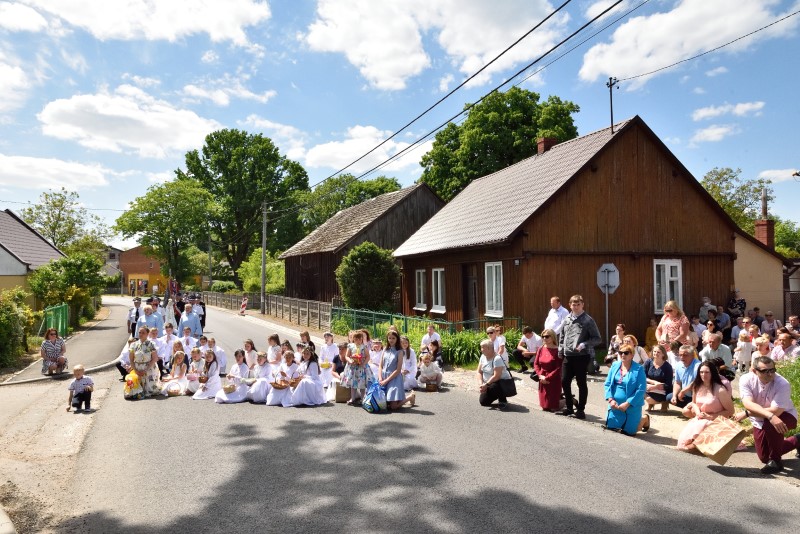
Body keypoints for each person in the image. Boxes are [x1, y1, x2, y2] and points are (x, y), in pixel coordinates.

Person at [734, 356, 799, 474]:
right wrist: (768, 415)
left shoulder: (782, 383)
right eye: (765, 371)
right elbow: (748, 403)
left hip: (786, 415)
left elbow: (776, 411)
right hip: (761, 419)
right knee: (764, 457)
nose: (770, 374)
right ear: (754, 371)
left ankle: (776, 462)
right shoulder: (746, 379)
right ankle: (797, 440)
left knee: (771, 424)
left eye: (772, 370)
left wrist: (747, 413)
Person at [557, 295, 601, 419]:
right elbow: (562, 336)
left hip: (581, 356)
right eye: (573, 305)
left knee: (581, 382)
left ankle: (581, 410)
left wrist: (584, 344)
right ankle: (569, 407)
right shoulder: (567, 318)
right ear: (570, 305)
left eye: (578, 304)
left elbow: (597, 339)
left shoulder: (588, 320)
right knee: (564, 381)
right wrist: (561, 349)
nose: (576, 307)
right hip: (568, 355)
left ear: (582, 305)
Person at [676, 361, 734, 451]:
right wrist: (698, 413)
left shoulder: (720, 390)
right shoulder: (697, 386)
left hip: (715, 420)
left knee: (692, 444)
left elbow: (730, 411)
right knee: (682, 445)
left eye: (707, 372)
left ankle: (698, 445)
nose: (703, 375)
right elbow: (694, 403)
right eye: (701, 372)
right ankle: (698, 444)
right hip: (700, 418)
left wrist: (710, 416)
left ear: (712, 373)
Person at [603, 344, 648, 435]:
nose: (623, 355)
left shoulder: (639, 369)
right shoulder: (615, 365)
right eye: (620, 353)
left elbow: (641, 389)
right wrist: (611, 400)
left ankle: (644, 419)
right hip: (615, 406)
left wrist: (628, 403)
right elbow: (607, 384)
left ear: (632, 355)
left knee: (629, 433)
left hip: (631, 406)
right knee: (612, 429)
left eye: (626, 353)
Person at [379, 330, 416, 410]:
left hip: (394, 379)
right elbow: (381, 366)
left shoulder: (400, 352)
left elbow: (398, 370)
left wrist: (386, 381)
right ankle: (397, 400)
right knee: (384, 404)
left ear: (397, 339)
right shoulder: (385, 349)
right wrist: (380, 378)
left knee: (393, 407)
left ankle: (410, 397)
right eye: (389, 338)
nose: (391, 340)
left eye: (393, 338)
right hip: (384, 377)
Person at [128, 326, 161, 398]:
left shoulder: (151, 344)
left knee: (152, 390)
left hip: (149, 368)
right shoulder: (133, 345)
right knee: (134, 392)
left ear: (147, 334)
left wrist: (146, 370)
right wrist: (135, 370)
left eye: (143, 333)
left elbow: (155, 358)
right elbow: (131, 359)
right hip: (137, 368)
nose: (141, 334)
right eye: (140, 332)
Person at [477, 339, 511, 408]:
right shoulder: (483, 357)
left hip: (501, 383)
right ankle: (494, 394)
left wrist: (486, 385)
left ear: (489, 348)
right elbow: (479, 371)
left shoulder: (497, 358)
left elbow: (497, 376)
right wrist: (481, 384)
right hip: (488, 384)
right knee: (483, 402)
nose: (481, 350)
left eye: (483, 348)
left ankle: (502, 399)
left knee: (494, 387)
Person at [532, 329, 561, 412]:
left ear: (553, 337)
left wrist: (547, 378)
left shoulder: (558, 350)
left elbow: (558, 368)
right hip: (542, 377)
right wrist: (540, 375)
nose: (544, 338)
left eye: (547, 336)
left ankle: (568, 401)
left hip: (553, 379)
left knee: (552, 407)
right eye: (543, 336)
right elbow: (536, 364)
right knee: (544, 407)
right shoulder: (541, 349)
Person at [341, 331, 372, 406]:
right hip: (353, 367)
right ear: (353, 339)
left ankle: (363, 398)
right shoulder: (350, 346)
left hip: (361, 367)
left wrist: (364, 363)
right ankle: (353, 398)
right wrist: (350, 361)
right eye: (356, 339)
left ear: (362, 339)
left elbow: (368, 356)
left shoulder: (364, 347)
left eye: (360, 339)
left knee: (362, 384)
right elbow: (347, 356)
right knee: (353, 383)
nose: (358, 341)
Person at [643, 345, 672, 411]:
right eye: (654, 351)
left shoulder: (668, 367)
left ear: (663, 354)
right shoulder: (648, 362)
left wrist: (654, 387)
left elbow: (668, 385)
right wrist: (654, 382)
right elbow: (643, 376)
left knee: (648, 399)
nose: (656, 353)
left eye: (658, 352)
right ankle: (651, 403)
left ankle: (664, 402)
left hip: (662, 390)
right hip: (649, 387)